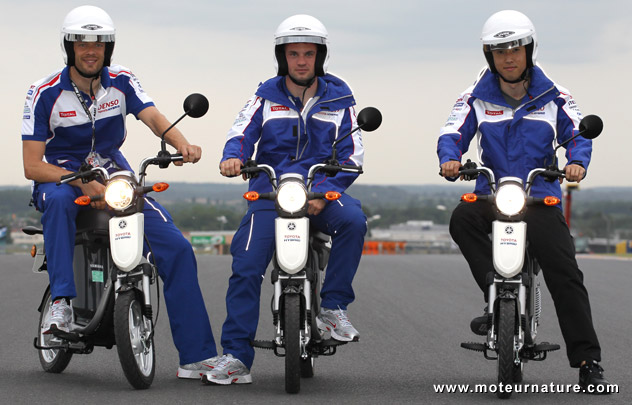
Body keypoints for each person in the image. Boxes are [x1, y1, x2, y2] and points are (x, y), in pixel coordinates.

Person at [21, 5, 218, 379]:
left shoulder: (123, 81)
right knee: (61, 201)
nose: (90, 50)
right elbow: (32, 165)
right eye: (82, 43)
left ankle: (197, 356)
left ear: (107, 48)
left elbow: (154, 116)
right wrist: (80, 180)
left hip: (113, 174)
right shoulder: (43, 92)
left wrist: (182, 143)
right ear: (70, 46)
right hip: (59, 177)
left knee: (176, 248)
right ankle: (62, 302)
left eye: (98, 43)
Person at [437, 10, 611, 393]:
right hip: (491, 194)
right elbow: (451, 131)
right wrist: (449, 159)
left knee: (565, 273)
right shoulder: (474, 98)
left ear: (529, 49)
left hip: (539, 198)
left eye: (515, 48)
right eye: (500, 51)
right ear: (489, 56)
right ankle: (493, 290)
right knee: (460, 219)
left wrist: (577, 162)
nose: (509, 57)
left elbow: (580, 134)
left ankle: (588, 361)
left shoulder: (555, 97)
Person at [208, 14, 366, 385]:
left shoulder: (340, 97)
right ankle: (235, 356)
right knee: (245, 264)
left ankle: (334, 307)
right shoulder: (265, 95)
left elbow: (353, 154)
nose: (300, 61)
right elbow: (240, 133)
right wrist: (232, 157)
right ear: (282, 56)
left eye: (308, 54)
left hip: (321, 191)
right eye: (293, 54)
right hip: (269, 193)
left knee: (355, 222)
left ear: (319, 57)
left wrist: (327, 193)